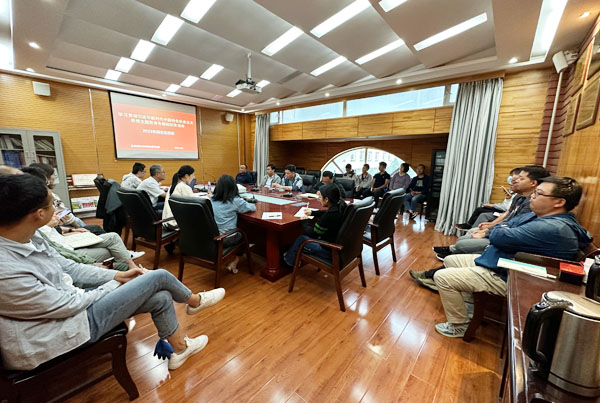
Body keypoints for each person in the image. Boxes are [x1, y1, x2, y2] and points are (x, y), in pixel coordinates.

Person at [0, 173, 226, 371]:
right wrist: (117, 283)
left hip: (71, 309)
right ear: (39, 214)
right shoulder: (6, 270)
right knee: (158, 276)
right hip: (57, 332)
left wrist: (117, 275)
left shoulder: (32, 237)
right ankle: (195, 301)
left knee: (160, 296)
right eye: (53, 204)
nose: (57, 208)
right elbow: (68, 305)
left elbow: (71, 269)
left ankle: (179, 350)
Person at [429, 176, 592, 338]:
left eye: (538, 193)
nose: (532, 196)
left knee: (442, 277)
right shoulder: (540, 216)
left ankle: (459, 325)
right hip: (503, 263)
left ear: (559, 202)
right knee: (451, 260)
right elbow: (504, 226)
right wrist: (504, 229)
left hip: (513, 276)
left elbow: (498, 236)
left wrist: (503, 230)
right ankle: (470, 309)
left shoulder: (551, 227)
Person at [432, 165, 550, 261]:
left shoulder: (531, 204)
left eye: (521, 179)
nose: (515, 182)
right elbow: (508, 215)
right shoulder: (520, 197)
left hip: (505, 237)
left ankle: (455, 253)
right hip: (501, 231)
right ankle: (455, 253)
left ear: (533, 183)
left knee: (464, 241)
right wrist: (489, 226)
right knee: (471, 231)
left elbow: (513, 226)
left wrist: (487, 231)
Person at [283, 184, 346, 267]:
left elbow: (312, 234)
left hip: (329, 251)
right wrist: (312, 212)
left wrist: (304, 221)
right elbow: (326, 213)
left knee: (301, 239)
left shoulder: (328, 217)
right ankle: (290, 254)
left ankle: (288, 262)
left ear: (326, 199)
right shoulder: (341, 206)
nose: (319, 199)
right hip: (341, 248)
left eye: (320, 197)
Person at [210, 175, 256, 273]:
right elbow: (252, 207)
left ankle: (233, 258)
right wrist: (243, 201)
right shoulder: (234, 200)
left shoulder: (211, 199)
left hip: (213, 236)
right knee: (244, 234)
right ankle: (235, 259)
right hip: (226, 238)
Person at [454, 168, 520, 230]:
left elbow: (507, 209)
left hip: (504, 213)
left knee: (483, 215)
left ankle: (472, 229)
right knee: (479, 209)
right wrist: (508, 199)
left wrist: (493, 206)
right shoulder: (512, 192)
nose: (510, 180)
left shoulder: (519, 196)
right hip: (504, 211)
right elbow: (506, 206)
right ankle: (469, 225)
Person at [28, 162, 87, 228]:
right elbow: (68, 217)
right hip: (61, 226)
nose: (55, 177)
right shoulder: (49, 196)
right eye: (53, 174)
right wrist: (79, 228)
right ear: (46, 178)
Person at [162, 165, 195, 230]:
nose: (193, 177)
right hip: (175, 223)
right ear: (186, 176)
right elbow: (193, 204)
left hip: (167, 221)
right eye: (192, 175)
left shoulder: (174, 185)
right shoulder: (184, 187)